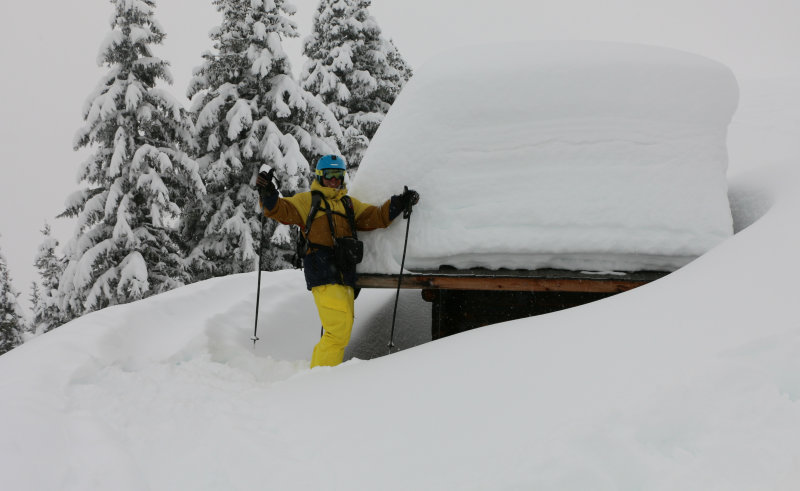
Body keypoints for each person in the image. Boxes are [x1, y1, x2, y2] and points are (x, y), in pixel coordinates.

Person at [256, 154, 419, 368]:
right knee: (338, 331)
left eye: (339, 176)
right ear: (320, 176)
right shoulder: (308, 201)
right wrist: (268, 192)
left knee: (343, 329)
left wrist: (399, 202)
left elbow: (377, 217)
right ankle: (320, 380)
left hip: (345, 274)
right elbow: (278, 210)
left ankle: (324, 375)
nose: (334, 181)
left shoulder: (348, 205)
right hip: (323, 273)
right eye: (330, 175)